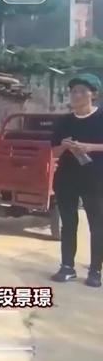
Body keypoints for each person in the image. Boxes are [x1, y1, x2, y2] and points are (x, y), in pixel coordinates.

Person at [49, 73, 103, 288]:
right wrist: (64, 146)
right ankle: (67, 267)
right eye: (73, 91)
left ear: (94, 94)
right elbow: (53, 152)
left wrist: (90, 147)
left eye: (82, 91)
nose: (76, 95)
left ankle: (95, 271)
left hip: (95, 179)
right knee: (69, 224)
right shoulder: (64, 121)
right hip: (67, 179)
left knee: (97, 225)